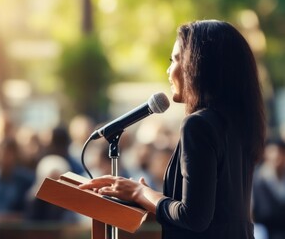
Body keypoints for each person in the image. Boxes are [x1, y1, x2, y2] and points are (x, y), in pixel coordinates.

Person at [79, 20, 265, 239]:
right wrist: (147, 197)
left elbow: (194, 217)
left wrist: (141, 192)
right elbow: (216, 210)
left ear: (199, 65)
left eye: (175, 59)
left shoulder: (198, 125)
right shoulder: (239, 123)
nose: (169, 70)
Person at [252, 140, 285, 239]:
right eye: (272, 152)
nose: (276, 156)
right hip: (265, 232)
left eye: (279, 152)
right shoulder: (258, 180)